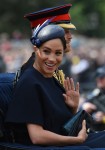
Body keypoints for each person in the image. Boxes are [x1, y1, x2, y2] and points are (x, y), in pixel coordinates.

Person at [5, 20, 105, 148]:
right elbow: (37, 137)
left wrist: (73, 108)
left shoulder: (49, 77)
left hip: (67, 141)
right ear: (36, 50)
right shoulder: (29, 81)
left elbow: (59, 123)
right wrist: (76, 140)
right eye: (46, 51)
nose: (52, 59)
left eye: (58, 53)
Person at [18, 4, 76, 86]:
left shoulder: (49, 69)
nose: (70, 37)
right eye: (65, 32)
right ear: (46, 35)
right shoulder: (34, 76)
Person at [81, 66, 105, 131]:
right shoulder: (95, 94)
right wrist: (84, 107)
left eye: (102, 78)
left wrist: (103, 118)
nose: (99, 80)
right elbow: (82, 109)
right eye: (98, 77)